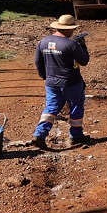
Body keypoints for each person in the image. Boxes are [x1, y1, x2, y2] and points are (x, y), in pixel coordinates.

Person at [32, 14, 91, 149]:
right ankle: (76, 136)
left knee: (51, 108)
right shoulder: (71, 44)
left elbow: (38, 61)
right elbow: (84, 61)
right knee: (75, 107)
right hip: (71, 83)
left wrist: (45, 77)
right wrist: (83, 46)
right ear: (69, 29)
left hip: (51, 83)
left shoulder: (43, 42)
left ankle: (39, 135)